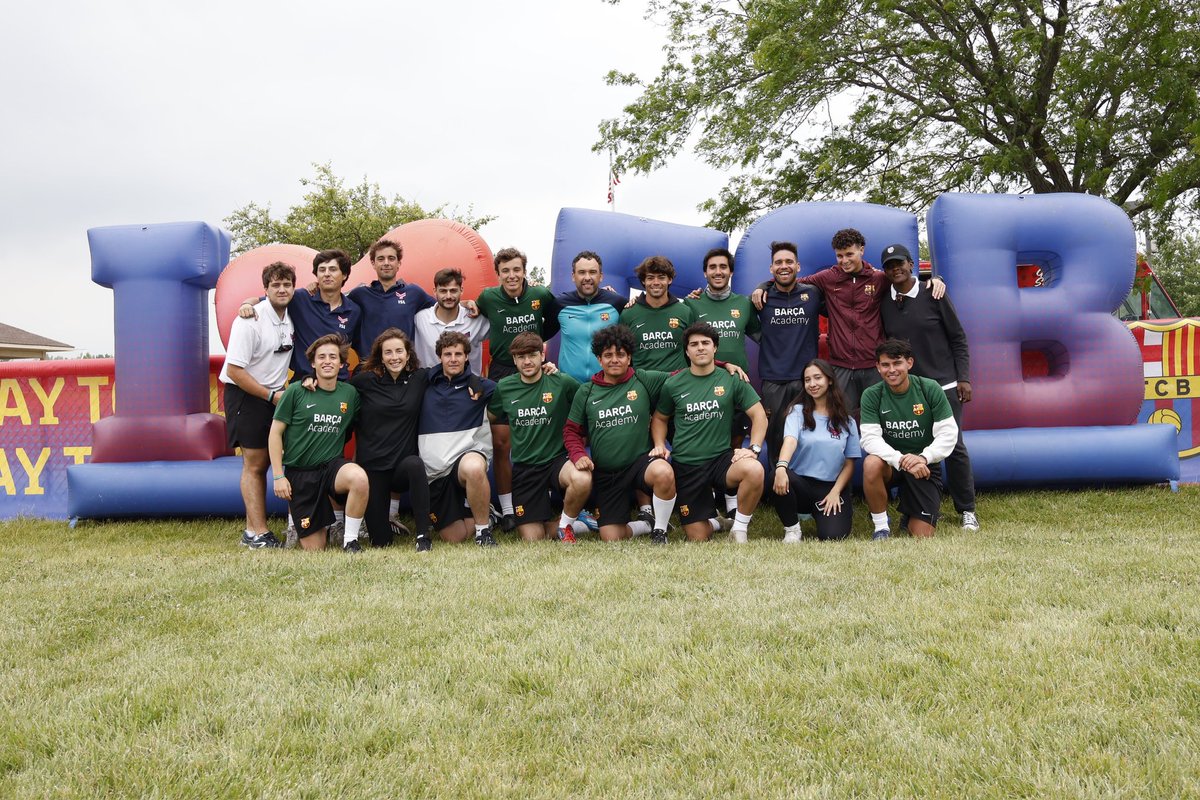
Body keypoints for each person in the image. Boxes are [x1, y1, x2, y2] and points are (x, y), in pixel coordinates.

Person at [750, 229, 944, 414]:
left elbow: (903, 280)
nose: (844, 260)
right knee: (842, 419)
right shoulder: (827, 277)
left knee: (882, 416)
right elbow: (791, 282)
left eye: (849, 254)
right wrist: (763, 286)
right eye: (840, 256)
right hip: (840, 366)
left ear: (862, 250)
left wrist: (934, 279)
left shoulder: (878, 278)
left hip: (872, 365)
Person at [878, 243, 979, 531]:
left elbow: (958, 338)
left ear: (911, 264)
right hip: (908, 388)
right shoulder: (886, 300)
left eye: (900, 263)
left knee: (954, 447)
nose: (895, 268)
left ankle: (967, 510)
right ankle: (911, 509)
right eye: (889, 265)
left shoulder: (935, 293)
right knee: (910, 446)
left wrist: (964, 378)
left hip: (944, 384)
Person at [466, 246, 561, 531]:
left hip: (533, 367)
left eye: (516, 270)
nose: (511, 275)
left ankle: (545, 502)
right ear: (498, 274)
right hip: (502, 372)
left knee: (539, 432)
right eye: (505, 271)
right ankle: (508, 510)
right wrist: (471, 305)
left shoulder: (540, 295)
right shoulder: (488, 297)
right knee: (501, 443)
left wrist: (535, 344)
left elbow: (556, 320)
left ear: (524, 271)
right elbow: (475, 309)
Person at [652, 323, 767, 542]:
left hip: (720, 460)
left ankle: (739, 529)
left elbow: (759, 415)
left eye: (706, 343)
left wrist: (753, 448)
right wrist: (659, 443)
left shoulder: (731, 378)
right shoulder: (673, 383)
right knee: (698, 537)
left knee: (754, 469)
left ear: (715, 348)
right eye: (694, 344)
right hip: (687, 465)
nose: (700, 348)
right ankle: (717, 522)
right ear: (687, 351)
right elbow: (659, 418)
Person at [564, 325, 678, 543]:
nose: (614, 359)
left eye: (620, 354)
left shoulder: (644, 380)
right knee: (611, 536)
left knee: (663, 470)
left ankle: (660, 531)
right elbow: (571, 430)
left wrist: (721, 364)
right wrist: (578, 455)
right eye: (608, 355)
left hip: (639, 464)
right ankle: (646, 524)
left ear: (629, 357)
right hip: (607, 473)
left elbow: (685, 374)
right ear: (599, 359)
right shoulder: (586, 391)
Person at [219, 261, 296, 548]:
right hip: (247, 395)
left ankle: (252, 531)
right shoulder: (249, 320)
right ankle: (258, 533)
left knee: (266, 460)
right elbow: (236, 371)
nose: (282, 289)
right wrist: (270, 396)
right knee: (254, 464)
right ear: (265, 289)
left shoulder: (291, 314)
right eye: (275, 284)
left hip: (273, 396)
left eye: (287, 284)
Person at [268, 334, 369, 552]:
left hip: (331, 467)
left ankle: (350, 540)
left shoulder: (350, 394)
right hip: (301, 473)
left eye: (333, 357)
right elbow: (275, 433)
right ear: (312, 363)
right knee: (315, 548)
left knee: (359, 478)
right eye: (321, 357)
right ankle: (301, 524)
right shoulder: (296, 391)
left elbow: (361, 428)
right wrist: (278, 476)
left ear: (342, 364)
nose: (327, 361)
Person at [487, 333, 591, 542]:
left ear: (542, 355)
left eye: (532, 355)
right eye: (521, 357)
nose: (527, 361)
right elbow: (489, 417)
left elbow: (587, 404)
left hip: (557, 461)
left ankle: (565, 526)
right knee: (533, 538)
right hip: (526, 468)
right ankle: (579, 525)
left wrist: (583, 436)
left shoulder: (561, 381)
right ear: (514, 360)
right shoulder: (505, 387)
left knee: (582, 478)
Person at [859, 338, 958, 539]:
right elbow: (869, 439)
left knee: (922, 535)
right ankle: (881, 527)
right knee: (871, 463)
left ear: (909, 363)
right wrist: (901, 460)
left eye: (897, 363)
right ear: (878, 367)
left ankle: (909, 513)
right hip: (892, 463)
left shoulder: (929, 388)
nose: (891, 370)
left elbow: (949, 433)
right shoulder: (871, 395)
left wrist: (923, 457)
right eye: (885, 365)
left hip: (923, 465)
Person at [349, 328, 437, 552]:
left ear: (408, 355)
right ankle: (383, 526)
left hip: (402, 467)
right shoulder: (365, 381)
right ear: (380, 356)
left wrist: (477, 384)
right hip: (373, 470)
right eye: (388, 352)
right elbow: (336, 389)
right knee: (381, 543)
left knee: (416, 464)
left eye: (399, 351)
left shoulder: (419, 378)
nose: (394, 357)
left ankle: (422, 535)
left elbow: (451, 372)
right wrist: (310, 379)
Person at [417, 331, 499, 546]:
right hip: (435, 472)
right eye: (447, 354)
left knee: (473, 467)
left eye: (458, 354)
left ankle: (483, 532)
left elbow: (519, 388)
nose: (453, 359)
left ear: (466, 357)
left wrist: (548, 368)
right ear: (439, 357)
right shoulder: (423, 382)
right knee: (455, 537)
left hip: (466, 458)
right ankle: (485, 513)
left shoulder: (483, 386)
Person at [238, 248, 362, 379]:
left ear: (344, 275)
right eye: (322, 270)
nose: (326, 274)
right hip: (303, 381)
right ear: (316, 275)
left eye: (332, 269)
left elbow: (359, 346)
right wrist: (246, 305)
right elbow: (258, 300)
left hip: (338, 382)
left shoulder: (354, 310)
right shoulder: (300, 298)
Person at [772, 359, 860, 542]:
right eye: (807, 380)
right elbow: (790, 441)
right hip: (800, 485)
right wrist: (781, 467)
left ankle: (821, 514)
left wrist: (836, 492)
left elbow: (850, 463)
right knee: (777, 473)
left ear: (829, 380)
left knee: (833, 537)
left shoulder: (847, 421)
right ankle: (792, 530)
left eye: (817, 378)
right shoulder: (796, 411)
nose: (812, 384)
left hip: (830, 487)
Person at [756, 241, 823, 465]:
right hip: (773, 380)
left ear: (798, 266)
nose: (784, 266)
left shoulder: (812, 294)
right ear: (771, 269)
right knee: (775, 436)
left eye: (789, 262)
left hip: (805, 379)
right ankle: (779, 484)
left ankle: (805, 487)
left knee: (807, 433)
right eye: (778, 263)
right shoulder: (760, 298)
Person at [348, 238, 435, 356]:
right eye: (381, 259)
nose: (386, 263)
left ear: (398, 263)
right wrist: (317, 287)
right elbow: (333, 303)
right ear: (373, 264)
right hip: (368, 367)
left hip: (402, 366)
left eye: (391, 258)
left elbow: (444, 307)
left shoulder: (414, 293)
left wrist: (465, 304)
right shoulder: (359, 295)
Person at [555, 250, 629, 383]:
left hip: (606, 385)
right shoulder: (559, 304)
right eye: (582, 272)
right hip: (569, 386)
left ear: (601, 276)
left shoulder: (617, 302)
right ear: (573, 276)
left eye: (593, 272)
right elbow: (539, 333)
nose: (587, 277)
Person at [684, 248, 760, 371]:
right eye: (712, 267)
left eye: (723, 267)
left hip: (739, 378)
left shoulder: (745, 303)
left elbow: (762, 339)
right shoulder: (691, 304)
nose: (718, 272)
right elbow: (683, 345)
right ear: (705, 272)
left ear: (731, 272)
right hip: (704, 379)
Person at [619, 255, 695, 372]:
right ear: (643, 281)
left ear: (669, 279)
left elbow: (693, 351)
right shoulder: (628, 314)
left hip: (677, 383)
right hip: (643, 384)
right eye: (650, 278)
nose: (656, 282)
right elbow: (622, 354)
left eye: (661, 277)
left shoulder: (684, 312)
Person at [412, 267, 490, 375]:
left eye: (453, 290)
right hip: (429, 387)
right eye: (443, 291)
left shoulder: (475, 318)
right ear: (435, 291)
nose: (448, 296)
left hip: (467, 388)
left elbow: (502, 330)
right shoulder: (420, 319)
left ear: (461, 290)